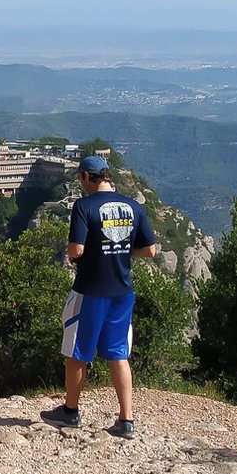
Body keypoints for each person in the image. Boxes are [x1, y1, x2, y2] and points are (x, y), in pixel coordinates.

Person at [41, 154, 157, 439]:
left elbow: (75, 251)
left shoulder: (84, 206)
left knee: (77, 352)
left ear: (83, 177)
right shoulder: (133, 206)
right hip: (122, 291)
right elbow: (150, 251)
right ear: (107, 176)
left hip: (90, 290)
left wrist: (90, 251)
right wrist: (121, 251)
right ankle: (126, 419)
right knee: (118, 353)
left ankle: (70, 411)